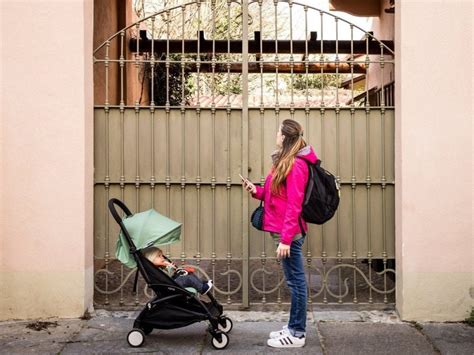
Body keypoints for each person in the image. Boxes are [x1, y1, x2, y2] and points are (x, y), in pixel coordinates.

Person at [242, 119, 317, 348]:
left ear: (284, 137)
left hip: (290, 234)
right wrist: (257, 191)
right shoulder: (285, 162)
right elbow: (277, 196)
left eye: (278, 132)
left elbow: (294, 205)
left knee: (296, 283)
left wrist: (285, 240)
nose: (276, 134)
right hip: (284, 231)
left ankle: (297, 334)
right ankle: (293, 326)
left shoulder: (296, 165)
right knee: (294, 282)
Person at [142, 246, 213, 295]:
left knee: (189, 273)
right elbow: (167, 278)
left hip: (172, 283)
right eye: (159, 256)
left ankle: (200, 283)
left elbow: (171, 274)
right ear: (151, 259)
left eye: (162, 256)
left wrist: (171, 267)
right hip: (171, 286)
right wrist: (170, 268)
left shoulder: (159, 268)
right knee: (187, 278)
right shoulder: (155, 270)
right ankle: (202, 289)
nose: (163, 258)